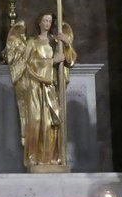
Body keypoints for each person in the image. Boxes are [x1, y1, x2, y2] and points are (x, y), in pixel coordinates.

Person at [6, 13, 75, 172]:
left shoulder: (56, 42)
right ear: (39, 22)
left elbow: (70, 61)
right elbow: (28, 64)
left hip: (52, 89)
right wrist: (51, 62)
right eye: (45, 20)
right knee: (36, 121)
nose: (47, 23)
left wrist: (67, 45)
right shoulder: (32, 42)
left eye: (50, 21)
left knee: (52, 124)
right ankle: (35, 158)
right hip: (36, 88)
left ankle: (52, 158)